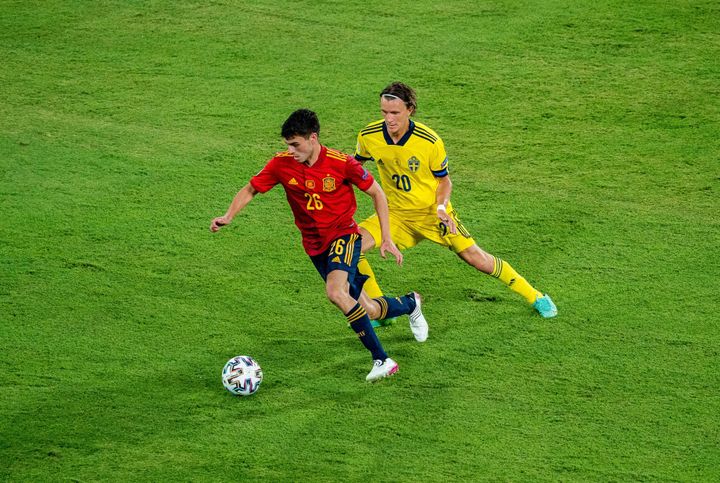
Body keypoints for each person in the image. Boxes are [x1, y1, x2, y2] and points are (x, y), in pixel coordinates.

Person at [210, 109, 428, 383]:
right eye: (288, 145)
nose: (291, 151)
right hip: (315, 247)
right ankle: (410, 303)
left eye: (296, 145)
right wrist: (228, 216)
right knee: (368, 308)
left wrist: (386, 237)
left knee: (336, 292)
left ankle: (382, 360)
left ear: (313, 138)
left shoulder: (341, 163)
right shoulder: (281, 164)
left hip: (344, 236)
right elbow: (251, 188)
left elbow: (377, 193)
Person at [354, 82, 557, 319]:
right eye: (384, 112)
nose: (389, 119)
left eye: (395, 113)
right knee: (350, 247)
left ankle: (536, 296)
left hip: (432, 214)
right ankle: (381, 310)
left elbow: (444, 181)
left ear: (410, 109)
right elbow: (354, 167)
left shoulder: (429, 141)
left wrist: (441, 208)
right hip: (395, 214)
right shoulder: (369, 136)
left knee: (477, 259)